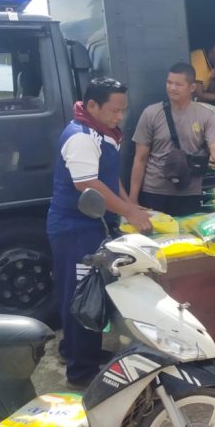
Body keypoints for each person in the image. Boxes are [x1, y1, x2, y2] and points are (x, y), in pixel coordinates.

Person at [47, 78, 152, 389]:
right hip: (74, 228)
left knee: (90, 293)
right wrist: (129, 212)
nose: (119, 116)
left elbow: (107, 178)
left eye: (123, 110)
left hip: (94, 224)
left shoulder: (104, 132)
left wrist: (128, 205)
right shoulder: (81, 137)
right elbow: (88, 184)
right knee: (80, 297)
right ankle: (81, 372)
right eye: (114, 110)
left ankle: (78, 350)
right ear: (92, 106)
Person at [129, 63, 215, 216]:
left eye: (178, 84)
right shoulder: (151, 113)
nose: (172, 88)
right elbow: (140, 158)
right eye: (169, 82)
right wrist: (132, 198)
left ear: (192, 88)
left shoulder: (205, 115)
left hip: (190, 193)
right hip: (155, 192)